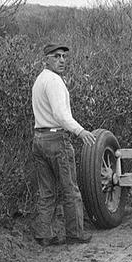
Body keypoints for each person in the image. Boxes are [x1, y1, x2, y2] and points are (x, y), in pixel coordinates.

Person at [31, 43, 96, 245]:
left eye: (64, 56)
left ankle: (44, 234)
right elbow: (60, 115)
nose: (61, 60)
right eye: (56, 56)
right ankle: (75, 233)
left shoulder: (39, 80)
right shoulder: (54, 82)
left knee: (47, 191)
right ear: (46, 59)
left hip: (39, 139)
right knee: (70, 189)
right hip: (56, 139)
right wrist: (80, 131)